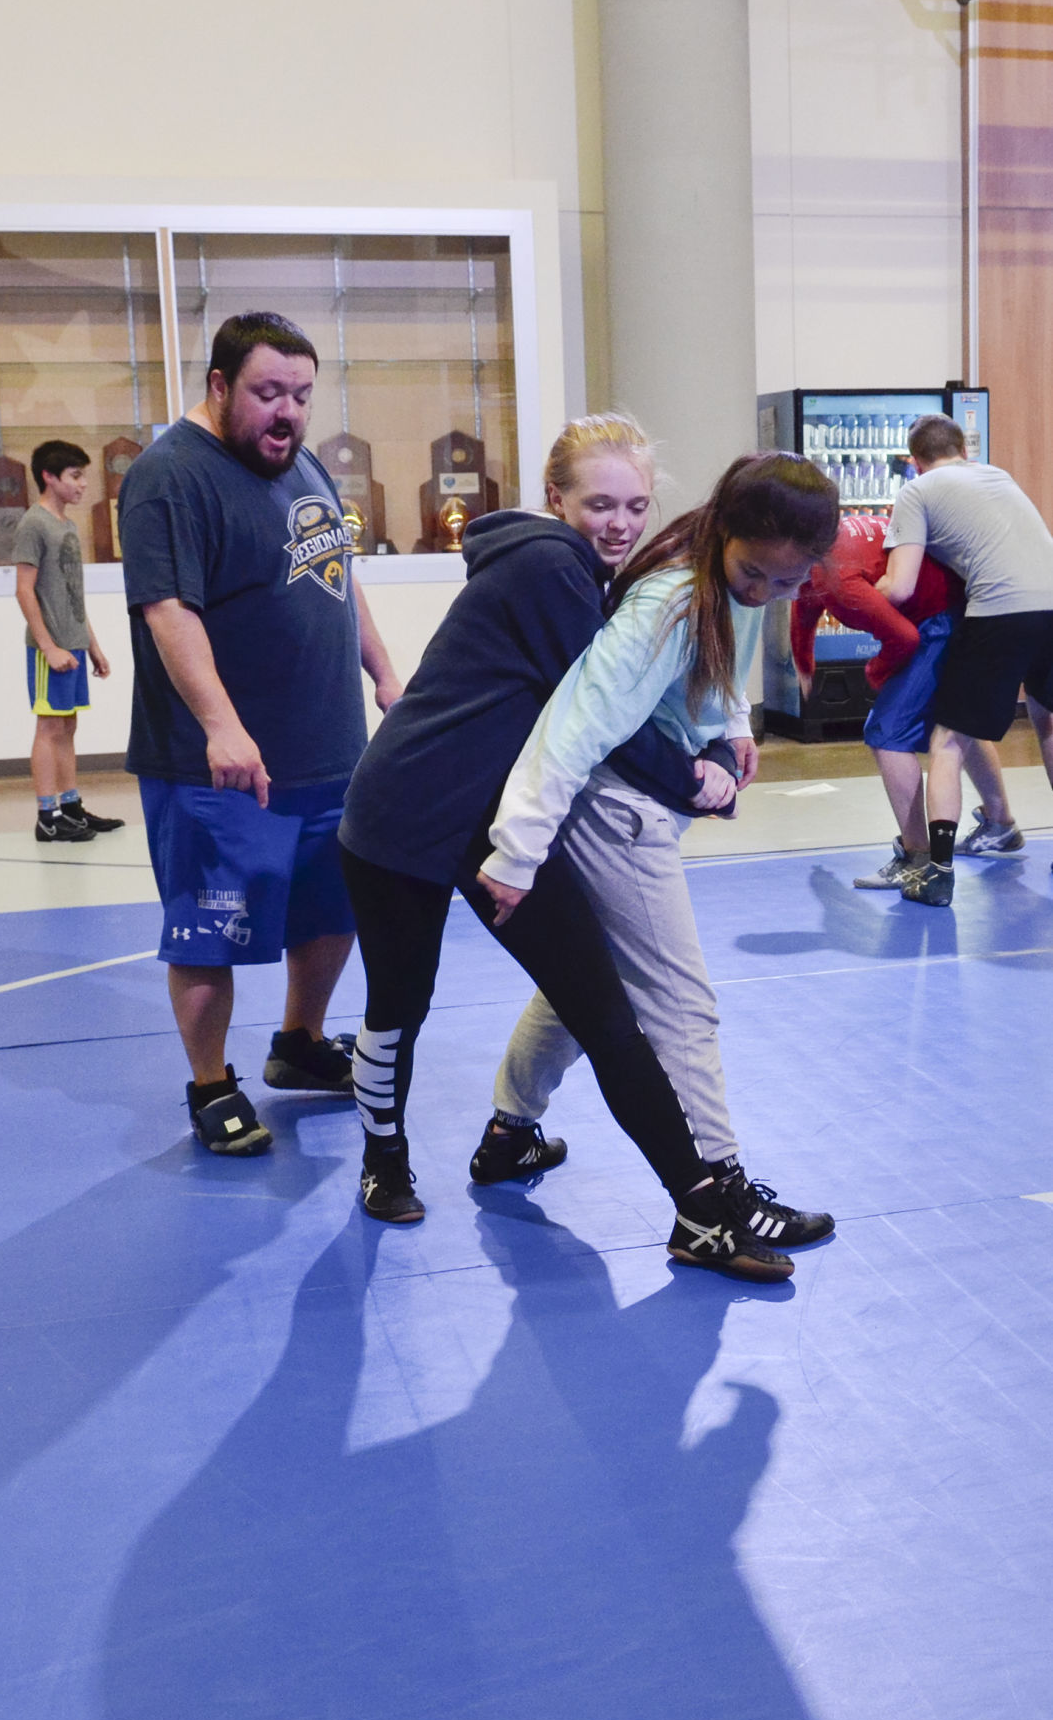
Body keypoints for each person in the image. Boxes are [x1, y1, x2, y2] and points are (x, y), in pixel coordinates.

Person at [340, 431, 833, 1283]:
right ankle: (384, 1158)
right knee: (399, 1005)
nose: (619, 523)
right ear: (556, 497)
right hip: (408, 811)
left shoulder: (638, 569)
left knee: (596, 1002)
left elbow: (699, 655)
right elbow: (591, 721)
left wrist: (727, 730)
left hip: (489, 812)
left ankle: (664, 1195)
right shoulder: (554, 571)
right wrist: (694, 778)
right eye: (600, 504)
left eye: (634, 505)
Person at [474, 455, 838, 1260]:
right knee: (681, 1005)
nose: (765, 593)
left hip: (635, 807)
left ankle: (509, 1132)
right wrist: (516, 850)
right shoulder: (669, 602)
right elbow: (574, 723)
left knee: (584, 987)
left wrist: (731, 726)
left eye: (788, 582)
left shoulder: (722, 573)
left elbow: (723, 651)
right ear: (725, 531)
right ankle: (719, 1191)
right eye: (756, 573)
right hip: (616, 814)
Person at [119, 311, 401, 1156]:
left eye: (302, 395)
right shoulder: (170, 476)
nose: (288, 413)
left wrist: (386, 673)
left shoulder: (298, 461)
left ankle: (299, 1044)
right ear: (219, 385)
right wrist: (222, 726)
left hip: (328, 750)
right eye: (269, 393)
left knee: (334, 908)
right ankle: (211, 1085)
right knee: (209, 931)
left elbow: (337, 575)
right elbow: (167, 610)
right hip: (221, 766)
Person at [877, 414, 1053, 907]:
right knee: (1047, 723)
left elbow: (900, 585)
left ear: (915, 462)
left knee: (948, 741)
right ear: (964, 450)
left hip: (1001, 609)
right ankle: (998, 825)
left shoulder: (918, 491)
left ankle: (937, 872)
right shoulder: (998, 475)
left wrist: (852, 596)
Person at [788, 512, 1018, 890]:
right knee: (957, 723)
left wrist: (876, 672)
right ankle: (1000, 824)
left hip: (938, 619)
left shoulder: (837, 581)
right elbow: (803, 608)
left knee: (886, 732)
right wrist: (804, 664)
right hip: (963, 606)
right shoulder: (819, 552)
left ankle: (917, 857)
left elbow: (904, 639)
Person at [13, 440, 123, 843]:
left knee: (67, 725)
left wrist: (92, 645)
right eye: (75, 476)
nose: (83, 484)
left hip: (73, 644)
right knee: (49, 727)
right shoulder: (34, 524)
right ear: (49, 476)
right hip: (51, 648)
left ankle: (71, 807)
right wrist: (49, 646)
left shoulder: (68, 526)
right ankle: (47, 816)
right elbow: (24, 590)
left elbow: (73, 593)